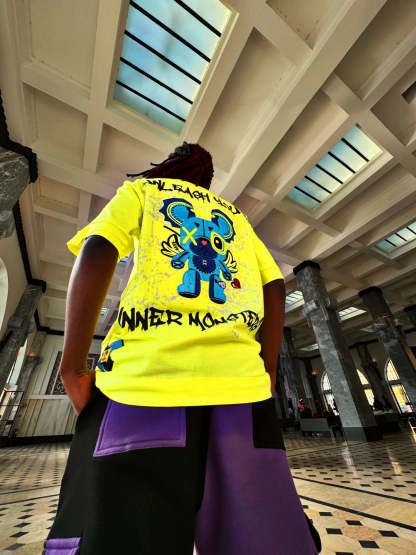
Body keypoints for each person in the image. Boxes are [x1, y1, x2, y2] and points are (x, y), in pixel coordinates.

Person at [44, 143, 320, 554]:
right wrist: (267, 369)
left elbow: (99, 246)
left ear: (169, 166)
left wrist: (72, 368)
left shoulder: (144, 191)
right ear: (206, 180)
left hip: (142, 386)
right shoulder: (236, 218)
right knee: (261, 538)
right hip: (242, 395)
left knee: (117, 535)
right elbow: (275, 285)